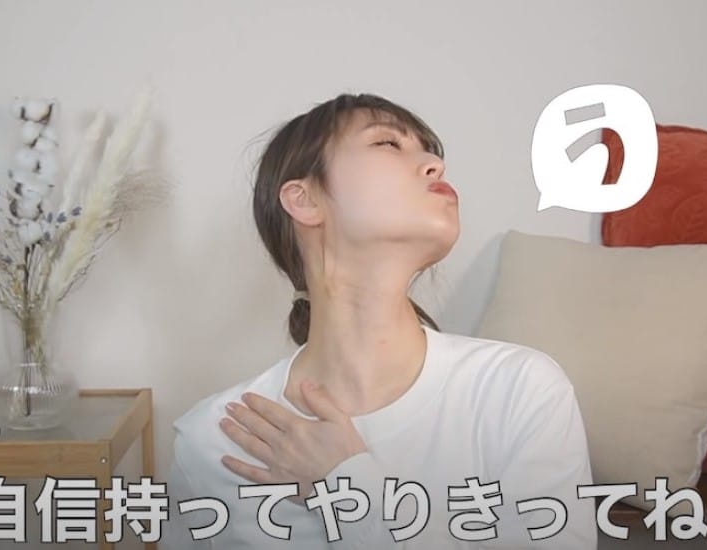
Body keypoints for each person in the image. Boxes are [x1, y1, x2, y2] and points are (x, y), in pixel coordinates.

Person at [164, 93, 597, 549]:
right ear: (304, 199)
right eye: (388, 143)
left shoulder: (519, 390)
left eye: (431, 152)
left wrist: (345, 485)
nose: (435, 165)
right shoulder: (215, 440)